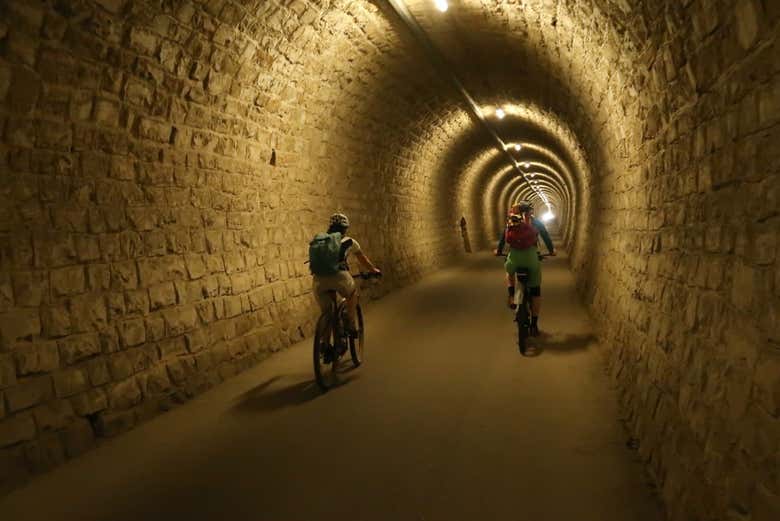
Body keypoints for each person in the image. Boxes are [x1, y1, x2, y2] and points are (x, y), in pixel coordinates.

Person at [310, 213, 381, 338]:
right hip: (340, 277)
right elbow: (362, 259)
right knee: (352, 294)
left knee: (327, 313)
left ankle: (324, 346)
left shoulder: (321, 241)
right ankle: (350, 323)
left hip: (318, 280)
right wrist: (373, 270)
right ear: (345, 228)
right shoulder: (350, 242)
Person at [500, 201, 555, 336]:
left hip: (514, 257)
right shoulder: (536, 223)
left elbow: (503, 238)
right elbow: (546, 237)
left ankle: (512, 294)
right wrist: (552, 250)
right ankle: (534, 324)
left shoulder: (512, 222)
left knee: (509, 271)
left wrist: (498, 250)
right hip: (532, 258)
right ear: (531, 211)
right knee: (536, 291)